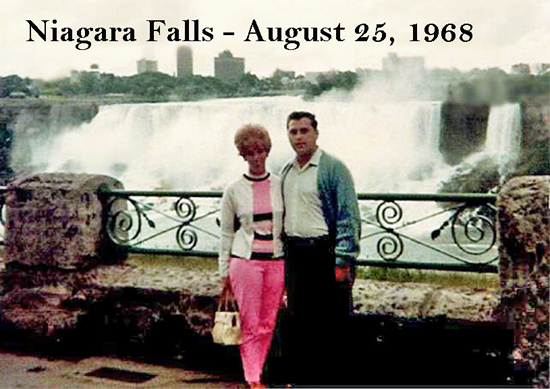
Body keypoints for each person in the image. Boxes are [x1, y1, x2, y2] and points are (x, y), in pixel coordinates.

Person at [279, 111, 361, 385]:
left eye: (304, 131)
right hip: (295, 254)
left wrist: (343, 260)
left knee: (331, 324)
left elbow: (348, 215)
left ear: (316, 133)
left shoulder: (333, 168)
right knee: (299, 322)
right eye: (293, 131)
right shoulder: (286, 171)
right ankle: (302, 380)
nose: (299, 137)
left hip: (324, 254)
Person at [218, 124, 285, 389]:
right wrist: (223, 273)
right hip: (245, 263)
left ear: (267, 151)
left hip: (276, 262)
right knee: (250, 322)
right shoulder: (233, 190)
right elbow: (225, 234)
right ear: (242, 155)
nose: (256, 157)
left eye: (260, 151)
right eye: (250, 153)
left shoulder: (280, 184)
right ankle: (253, 378)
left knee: (268, 323)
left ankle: (258, 372)